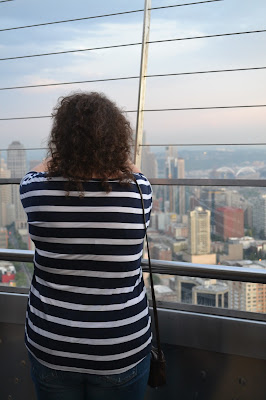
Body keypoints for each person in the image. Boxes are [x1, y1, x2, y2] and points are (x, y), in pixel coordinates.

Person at [20, 92, 152, 400]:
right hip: (120, 346)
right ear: (118, 139)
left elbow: (40, 169)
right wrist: (110, 158)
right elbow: (132, 171)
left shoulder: (35, 193)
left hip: (53, 343)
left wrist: (66, 155)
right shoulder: (139, 193)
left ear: (60, 139)